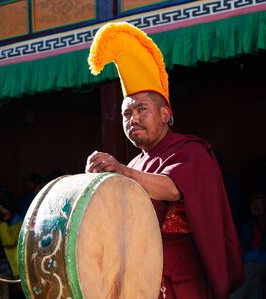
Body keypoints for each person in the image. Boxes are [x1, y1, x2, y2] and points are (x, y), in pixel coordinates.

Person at [85, 22, 244, 299]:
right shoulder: (134, 165)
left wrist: (120, 172)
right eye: (126, 114)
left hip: (182, 281)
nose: (132, 119)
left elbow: (173, 188)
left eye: (141, 109)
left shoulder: (190, 151)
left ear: (165, 114)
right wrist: (97, 184)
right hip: (140, 280)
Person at [0, 185, 23, 299]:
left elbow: (9, 242)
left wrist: (2, 223)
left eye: (4, 208)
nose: (1, 211)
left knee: (0, 280)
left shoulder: (18, 223)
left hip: (13, 268)